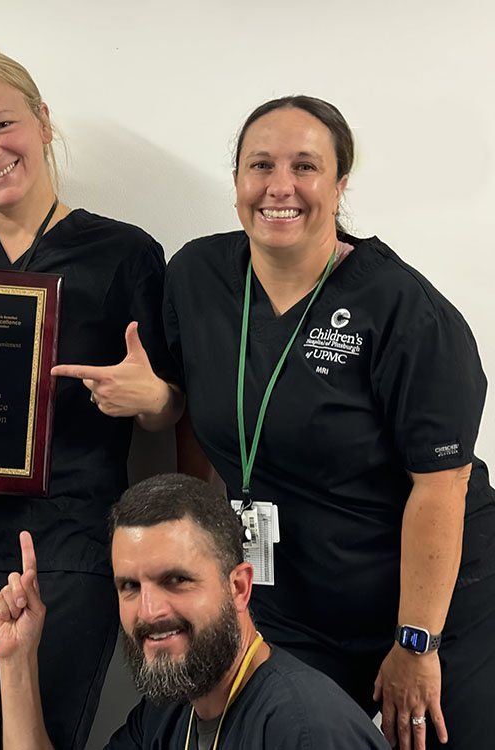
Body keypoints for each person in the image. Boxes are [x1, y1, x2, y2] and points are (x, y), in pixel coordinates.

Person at [161, 96, 495, 750]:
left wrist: (416, 642)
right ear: (236, 182)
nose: (279, 186)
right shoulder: (197, 276)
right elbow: (184, 407)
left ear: (340, 184)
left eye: (305, 166)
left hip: (435, 602)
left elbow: (440, 487)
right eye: (260, 164)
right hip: (295, 602)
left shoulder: (405, 311)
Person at [0, 47, 184, 750]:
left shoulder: (124, 253)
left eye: (1, 125)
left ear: (43, 121)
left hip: (62, 551)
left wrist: (153, 398)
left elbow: (170, 409)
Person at [0, 474, 389, 749]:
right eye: (130, 586)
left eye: (176, 580)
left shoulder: (303, 729)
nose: (150, 610)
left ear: (239, 587)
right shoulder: (168, 714)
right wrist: (16, 659)